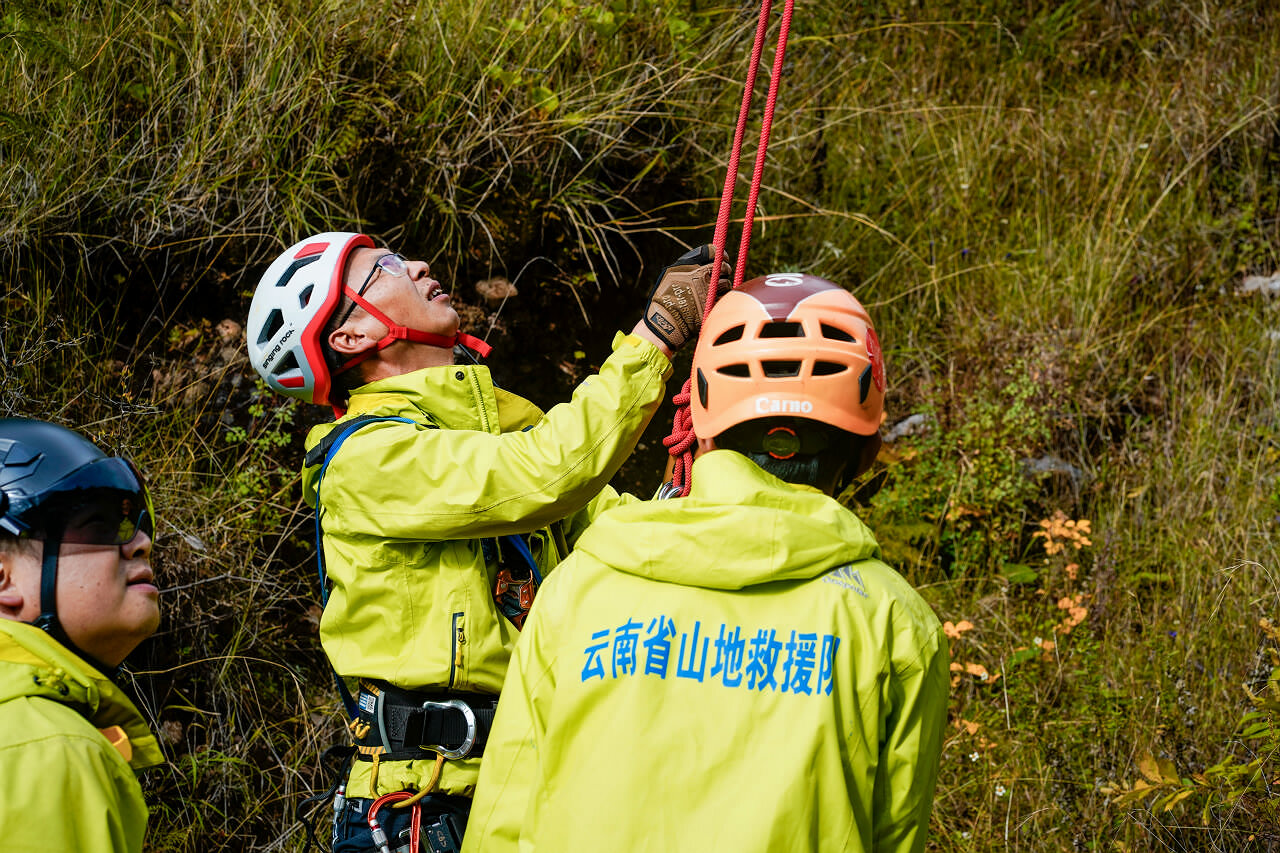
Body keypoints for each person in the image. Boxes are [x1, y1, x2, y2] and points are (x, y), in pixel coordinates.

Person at [246, 233, 727, 851]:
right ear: (350, 337)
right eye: (384, 269)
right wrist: (657, 333)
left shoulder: (494, 433)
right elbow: (546, 472)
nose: (417, 265)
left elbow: (628, 541)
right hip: (418, 810)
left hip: (522, 787)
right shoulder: (366, 459)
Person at [464, 273, 950, 853]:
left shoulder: (582, 586)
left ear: (701, 421)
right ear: (864, 433)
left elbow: (504, 812)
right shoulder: (893, 622)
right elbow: (894, 832)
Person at [0, 418, 165, 852]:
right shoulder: (52, 750)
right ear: (3, 579)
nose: (141, 542)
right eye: (99, 523)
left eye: (138, 524)